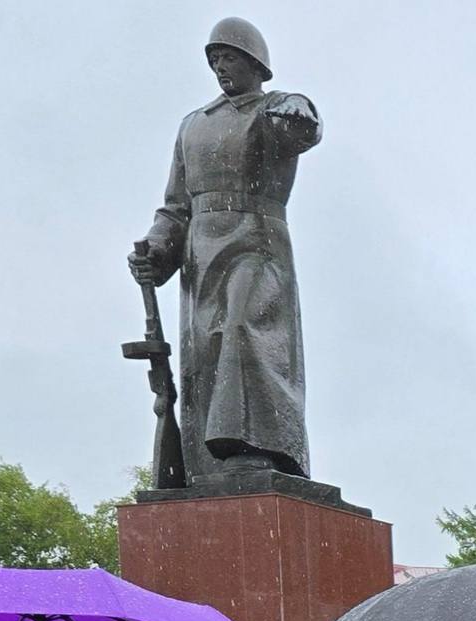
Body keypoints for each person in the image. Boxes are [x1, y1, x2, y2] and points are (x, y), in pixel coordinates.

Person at [129, 16, 320, 483]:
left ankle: (261, 446)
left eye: (229, 57)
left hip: (258, 242)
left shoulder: (272, 110)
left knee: (242, 328)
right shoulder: (193, 125)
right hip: (201, 254)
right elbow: (175, 206)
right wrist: (156, 249)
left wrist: (298, 110)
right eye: (214, 59)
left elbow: (303, 125)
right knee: (206, 350)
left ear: (255, 63)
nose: (220, 67)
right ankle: (212, 462)